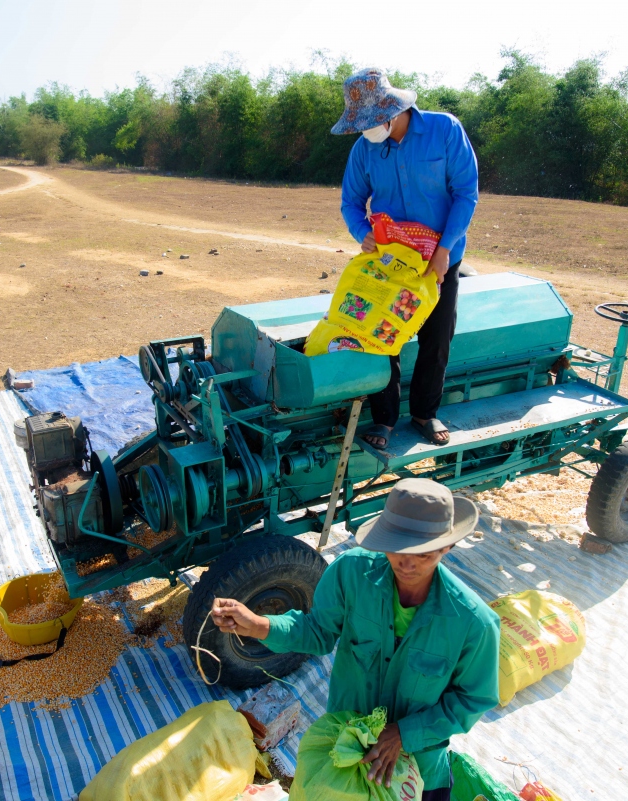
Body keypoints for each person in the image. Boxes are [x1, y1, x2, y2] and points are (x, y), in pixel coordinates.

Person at [211, 478, 500, 801]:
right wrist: (258, 625)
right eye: (397, 547)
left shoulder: (474, 623)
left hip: (417, 770)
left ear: (447, 546)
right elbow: (319, 632)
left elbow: (474, 698)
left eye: (423, 553)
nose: (407, 562)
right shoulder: (351, 573)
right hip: (346, 746)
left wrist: (405, 734)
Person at [333, 68, 480, 450]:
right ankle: (383, 419)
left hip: (438, 260)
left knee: (436, 337)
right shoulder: (365, 148)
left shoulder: (444, 131)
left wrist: (445, 250)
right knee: (382, 336)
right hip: (388, 262)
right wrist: (361, 233)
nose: (367, 130)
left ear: (392, 110)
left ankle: (425, 413)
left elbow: (465, 193)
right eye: (361, 124)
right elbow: (351, 201)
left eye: (371, 122)